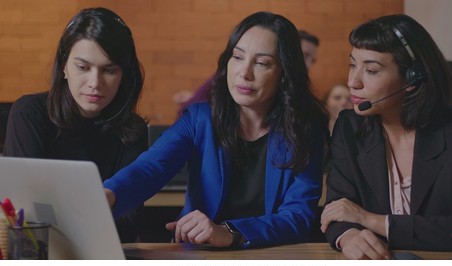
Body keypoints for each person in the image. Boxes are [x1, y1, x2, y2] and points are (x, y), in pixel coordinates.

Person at [104, 11, 328, 248]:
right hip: (199, 257)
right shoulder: (199, 119)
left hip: (271, 259)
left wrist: (230, 232)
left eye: (261, 63)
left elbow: (297, 216)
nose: (244, 73)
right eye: (238, 57)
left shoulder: (305, 129)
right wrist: (110, 193)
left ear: (285, 73)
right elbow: (151, 167)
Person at [320, 14, 452, 259]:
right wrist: (348, 236)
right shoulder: (349, 127)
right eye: (352, 65)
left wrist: (369, 219)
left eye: (370, 70)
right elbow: (338, 210)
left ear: (412, 78)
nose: (352, 82)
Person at [3, 7, 148, 243]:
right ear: (63, 66)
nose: (94, 83)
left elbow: (128, 224)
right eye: (83, 67)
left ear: (124, 75)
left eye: (109, 70)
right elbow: (24, 214)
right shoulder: (30, 113)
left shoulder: (133, 129)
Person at [174, 29, 320, 117]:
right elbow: (189, 109)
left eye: (312, 59)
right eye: (304, 55)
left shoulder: (304, 98)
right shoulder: (227, 76)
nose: (245, 73)